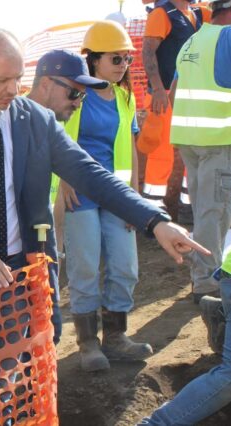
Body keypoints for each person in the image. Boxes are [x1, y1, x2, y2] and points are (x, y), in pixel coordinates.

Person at [0, 28, 209, 345]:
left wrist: (155, 221)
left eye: (18, 78)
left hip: (12, 280)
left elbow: (89, 173)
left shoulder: (36, 120)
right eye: (2, 80)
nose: (13, 89)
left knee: (2, 385)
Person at [140, 0, 231, 410]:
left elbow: (180, 84)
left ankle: (204, 281)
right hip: (217, 140)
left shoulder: (195, 38)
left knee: (205, 213)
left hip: (192, 137)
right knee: (215, 217)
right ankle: (208, 287)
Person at [52, 21, 153, 372]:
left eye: (126, 58)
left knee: (125, 266)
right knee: (84, 266)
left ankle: (116, 337)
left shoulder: (126, 97)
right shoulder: (77, 94)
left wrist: (135, 199)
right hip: (80, 195)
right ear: (93, 60)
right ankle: (88, 342)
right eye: (116, 58)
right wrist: (63, 182)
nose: (123, 64)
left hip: (118, 196)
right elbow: (57, 140)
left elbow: (133, 147)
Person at [27, 49, 109, 258]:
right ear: (45, 84)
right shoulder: (9, 124)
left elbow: (91, 174)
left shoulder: (52, 130)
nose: (77, 103)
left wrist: (152, 219)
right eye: (73, 93)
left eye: (82, 96)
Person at [140, 0, 210, 221]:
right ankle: (153, 207)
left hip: (190, 95)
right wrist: (159, 89)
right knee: (161, 152)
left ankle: (188, 204)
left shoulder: (198, 13)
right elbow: (148, 52)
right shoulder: (162, 15)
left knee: (195, 147)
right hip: (165, 95)